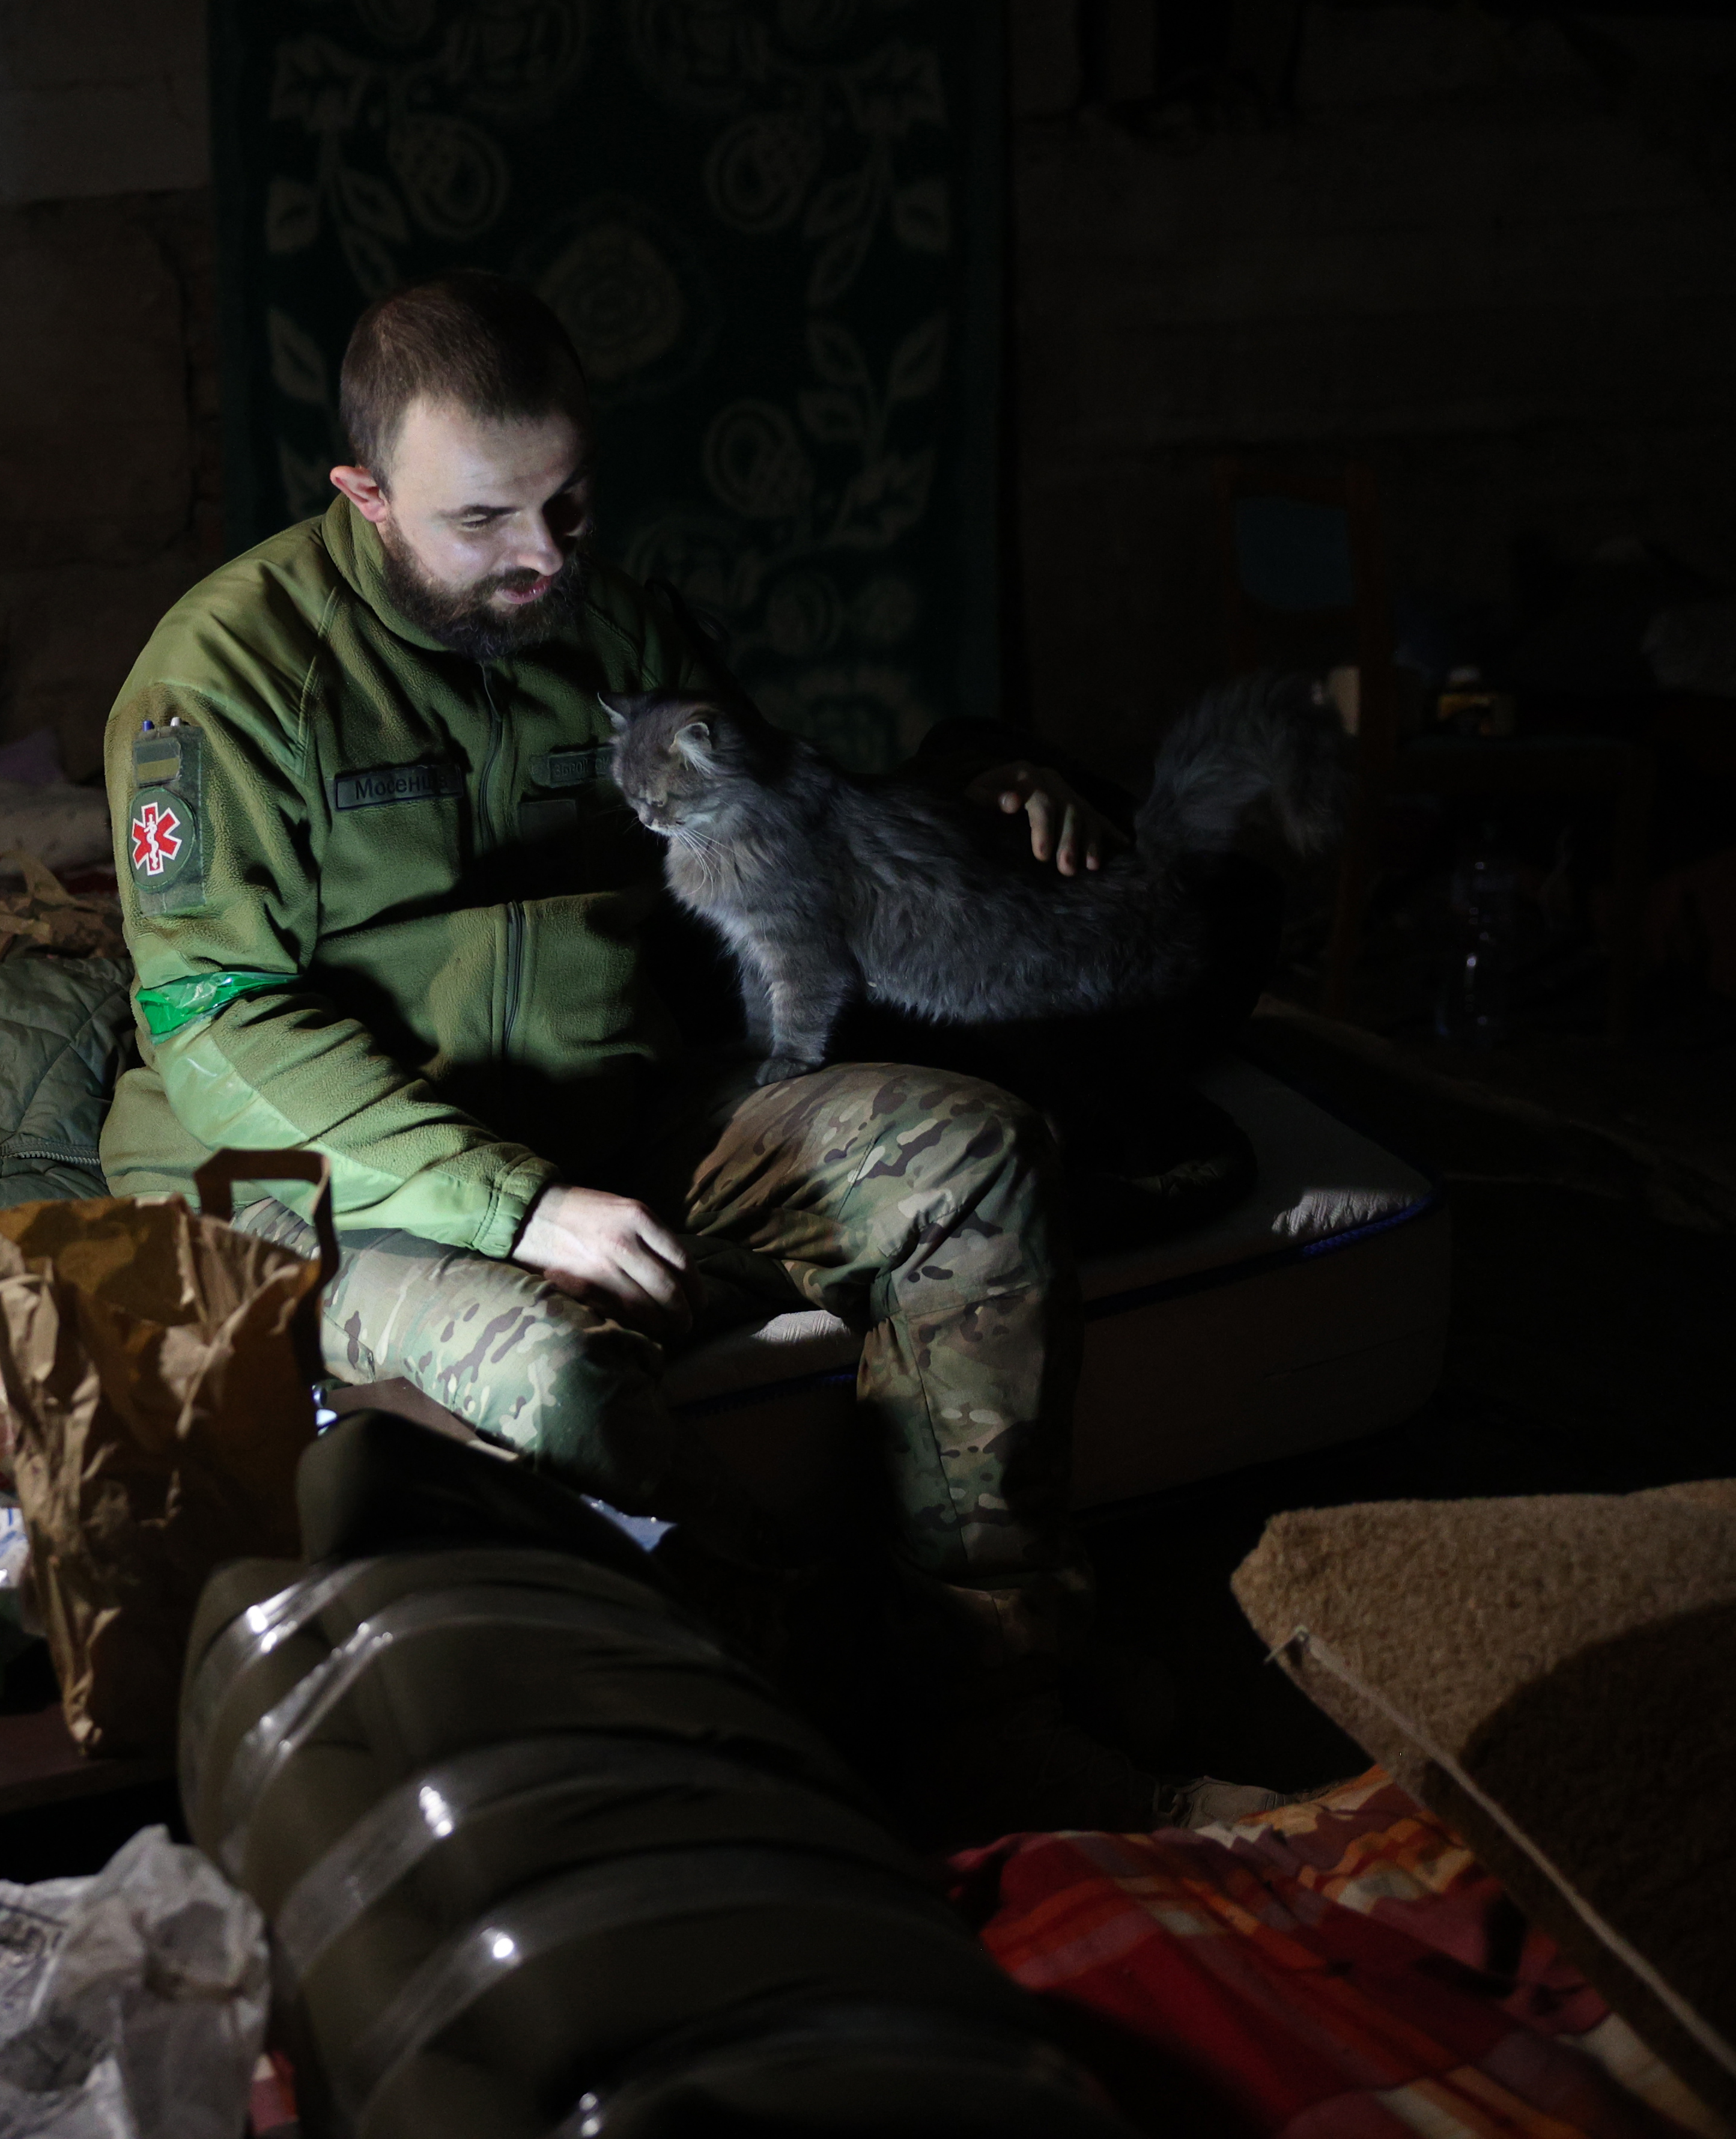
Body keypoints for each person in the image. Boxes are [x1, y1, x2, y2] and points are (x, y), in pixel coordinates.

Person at [100, 269, 1271, 1833]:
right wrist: (510, 1208)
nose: (542, 557)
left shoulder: (621, 625)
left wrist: (975, 794)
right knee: (547, 1367)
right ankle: (805, 1734)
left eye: (571, 505)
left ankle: (994, 1697)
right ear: (363, 495)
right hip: (338, 1186)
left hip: (617, 1115)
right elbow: (218, 1025)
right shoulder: (222, 684)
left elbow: (787, 832)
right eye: (485, 522)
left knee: (967, 1149)